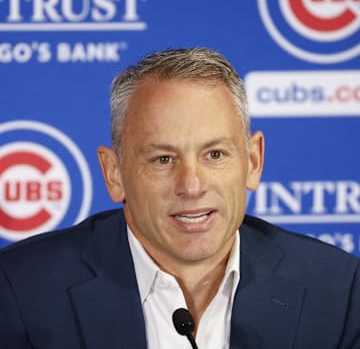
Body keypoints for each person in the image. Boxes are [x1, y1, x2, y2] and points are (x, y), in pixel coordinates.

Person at [0, 48, 359, 349]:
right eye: (163, 159)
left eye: (215, 155)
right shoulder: (19, 292)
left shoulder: (339, 292)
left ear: (253, 162)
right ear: (114, 174)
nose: (191, 185)